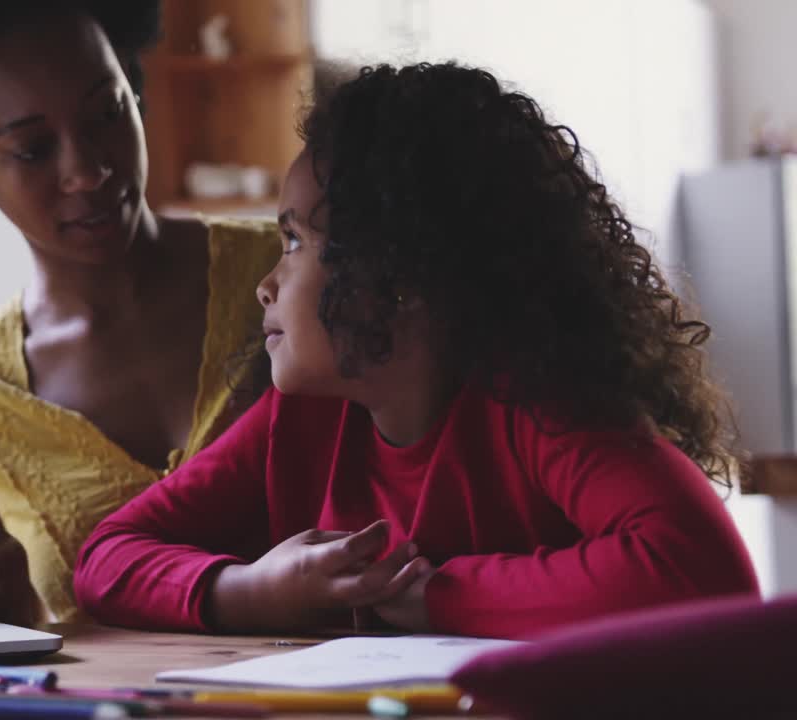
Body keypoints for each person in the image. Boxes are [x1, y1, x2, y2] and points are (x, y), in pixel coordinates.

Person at [74, 62, 760, 639]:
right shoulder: (302, 419)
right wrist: (252, 591)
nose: (266, 285)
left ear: (401, 274)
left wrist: (435, 597)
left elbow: (705, 572)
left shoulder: (532, 406)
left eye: (294, 242)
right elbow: (105, 558)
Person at [0, 0, 280, 624]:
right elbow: (18, 642)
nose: (88, 170)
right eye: (34, 148)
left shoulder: (291, 275)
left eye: (107, 112)